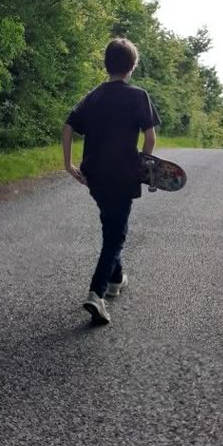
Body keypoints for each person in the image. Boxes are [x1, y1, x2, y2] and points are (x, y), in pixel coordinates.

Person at [62, 38, 161, 325]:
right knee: (115, 236)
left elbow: (68, 127)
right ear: (132, 66)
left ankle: (117, 278)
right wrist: (144, 163)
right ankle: (97, 293)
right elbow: (150, 137)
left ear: (106, 64)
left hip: (93, 176)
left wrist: (67, 163)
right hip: (123, 175)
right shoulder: (138, 96)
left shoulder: (93, 96)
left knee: (112, 224)